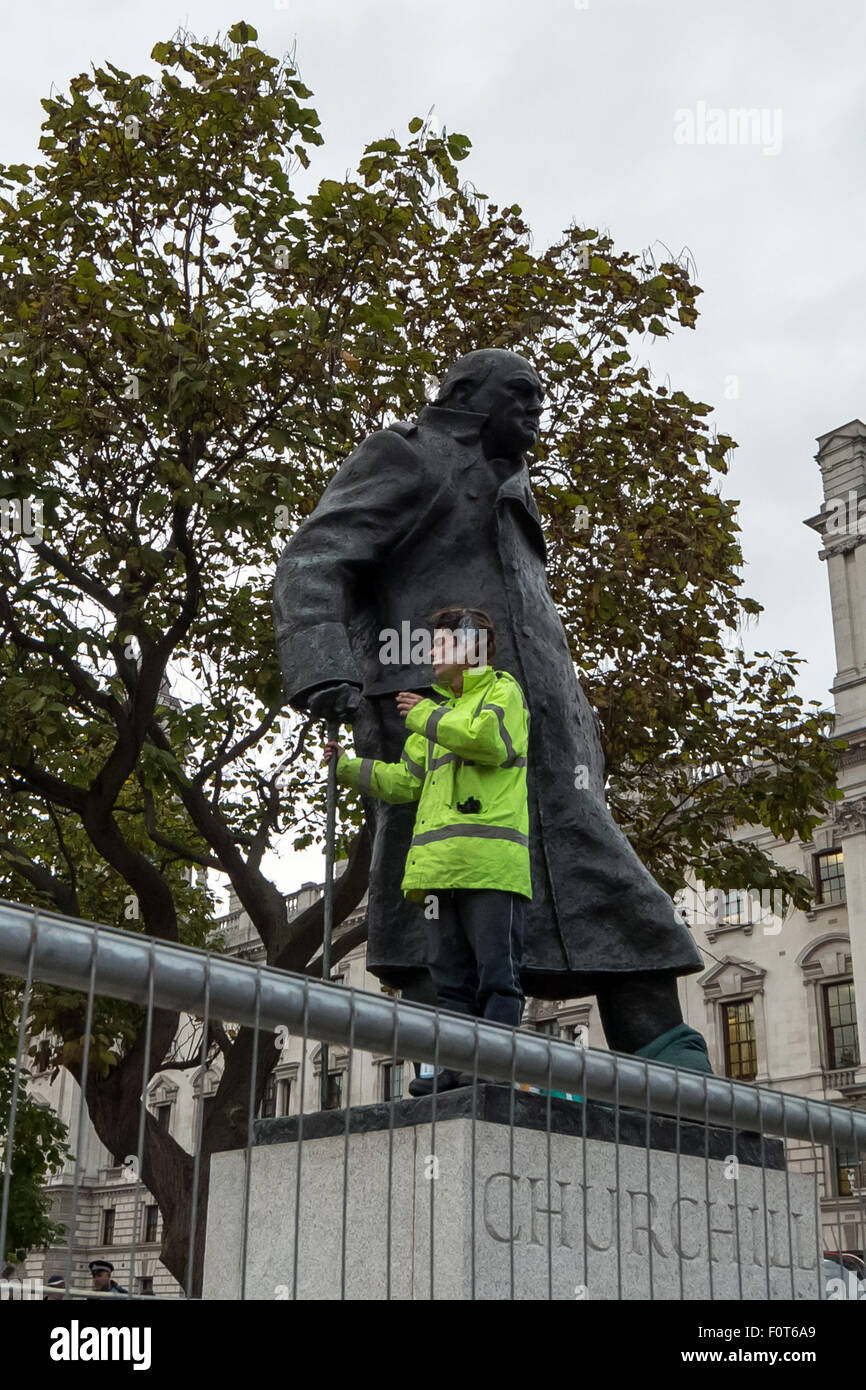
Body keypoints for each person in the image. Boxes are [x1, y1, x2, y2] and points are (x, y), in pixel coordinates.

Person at [276, 347, 712, 1073]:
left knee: (605, 883)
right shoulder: (407, 457)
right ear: (467, 396)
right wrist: (325, 671)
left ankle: (670, 1069)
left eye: (541, 395)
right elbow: (313, 560)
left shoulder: (512, 478)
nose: (538, 408)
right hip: (433, 713)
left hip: (535, 730)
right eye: (521, 393)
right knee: (431, 897)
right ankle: (451, 1061)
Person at [325, 607, 530, 1094]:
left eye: (441, 644)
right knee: (451, 982)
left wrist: (425, 715)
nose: (432, 653)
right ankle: (457, 1072)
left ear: (470, 647)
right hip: (440, 871)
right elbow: (403, 782)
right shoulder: (437, 712)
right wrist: (348, 769)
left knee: (496, 976)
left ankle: (494, 1068)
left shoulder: (502, 692)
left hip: (490, 868)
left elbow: (491, 741)